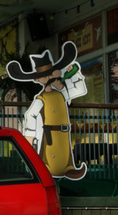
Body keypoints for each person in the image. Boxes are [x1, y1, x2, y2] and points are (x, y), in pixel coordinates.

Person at [6, 41, 87, 180]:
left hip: (63, 133)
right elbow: (30, 115)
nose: (49, 78)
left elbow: (79, 89)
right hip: (49, 135)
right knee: (51, 157)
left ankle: (69, 168)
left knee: (65, 154)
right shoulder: (41, 98)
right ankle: (49, 170)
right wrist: (29, 139)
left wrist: (73, 73)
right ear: (38, 79)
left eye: (50, 74)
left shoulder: (61, 93)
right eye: (46, 76)